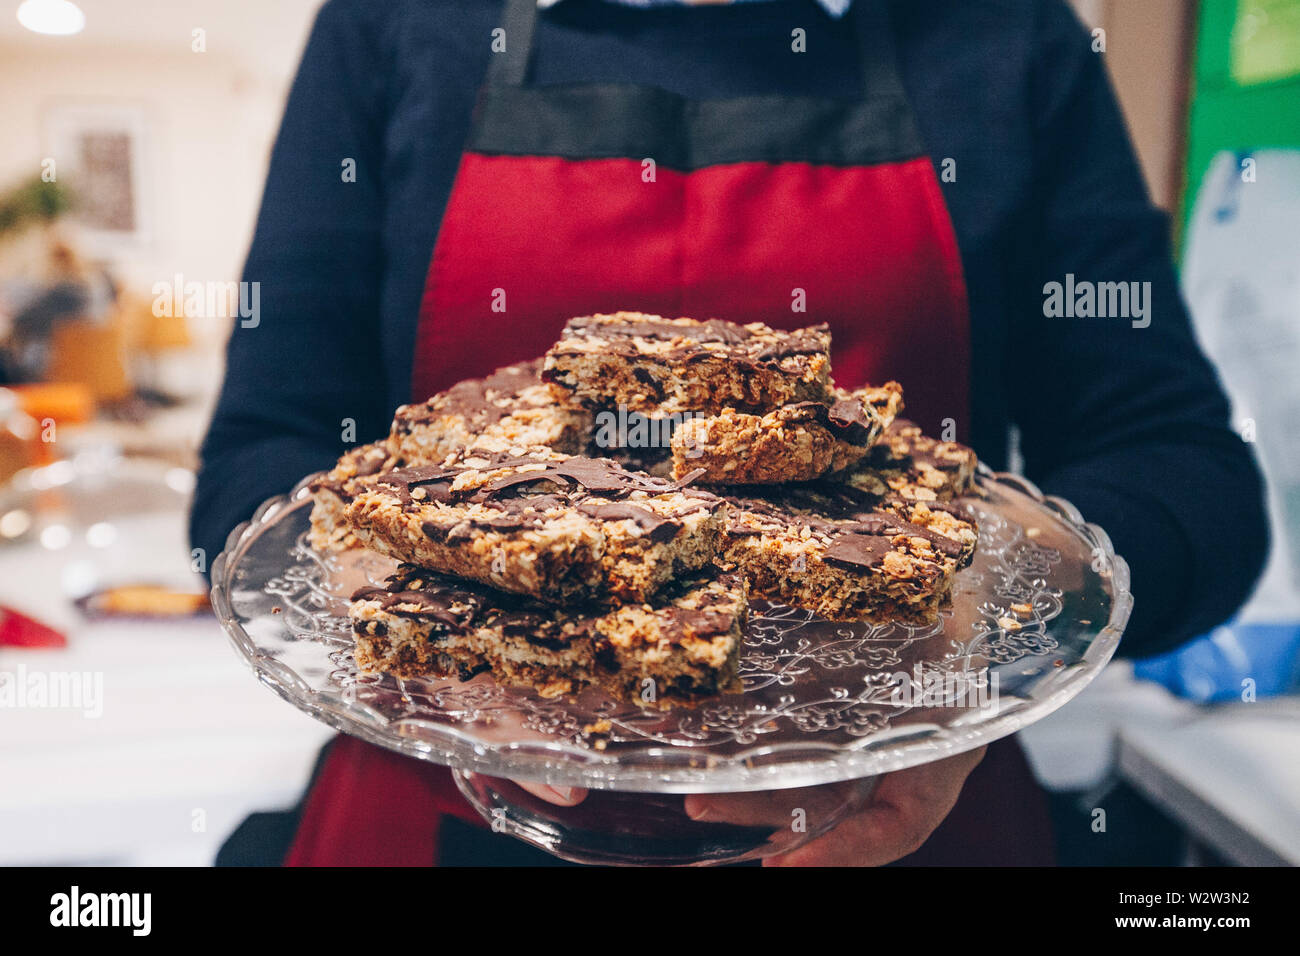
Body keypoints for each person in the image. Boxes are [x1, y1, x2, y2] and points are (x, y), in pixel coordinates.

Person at [192, 0, 1268, 866]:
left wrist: (973, 650)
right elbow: (256, 467)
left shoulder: (1008, 36)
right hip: (439, 816)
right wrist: (429, 623)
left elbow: (1186, 477)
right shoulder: (393, 24)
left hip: (908, 819)